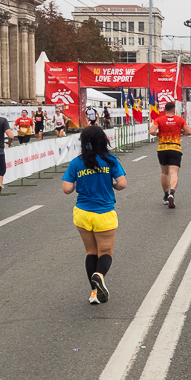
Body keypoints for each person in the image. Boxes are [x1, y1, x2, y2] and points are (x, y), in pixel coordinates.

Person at [61, 125, 127, 305]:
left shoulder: (76, 162)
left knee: (91, 252)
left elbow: (67, 189)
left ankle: (93, 292)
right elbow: (122, 184)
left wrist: (76, 184)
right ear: (103, 141)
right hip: (104, 212)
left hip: (82, 212)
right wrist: (112, 185)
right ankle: (100, 275)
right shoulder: (110, 160)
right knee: (105, 251)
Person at [149, 100, 191, 208]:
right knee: (174, 173)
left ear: (164, 110)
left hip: (162, 148)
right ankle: (172, 193)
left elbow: (151, 131)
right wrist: (180, 132)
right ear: (174, 109)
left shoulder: (159, 119)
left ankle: (165, 195)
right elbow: (189, 132)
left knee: (164, 173)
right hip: (175, 148)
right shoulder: (180, 120)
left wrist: (160, 133)